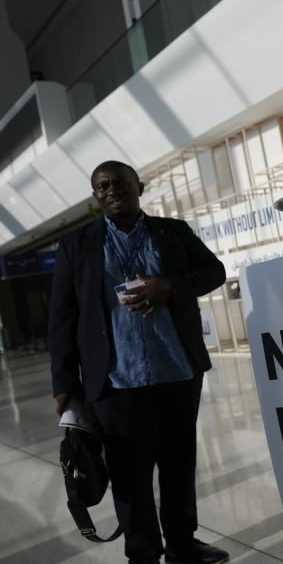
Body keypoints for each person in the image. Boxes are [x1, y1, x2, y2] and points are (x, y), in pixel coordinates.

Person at [49, 161, 229, 564]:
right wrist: (64, 384)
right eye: (103, 186)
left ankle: (183, 544)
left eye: (121, 183)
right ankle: (143, 554)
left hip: (176, 372)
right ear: (96, 196)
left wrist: (170, 286)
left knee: (179, 465)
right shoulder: (77, 245)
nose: (112, 190)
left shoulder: (173, 232)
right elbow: (61, 317)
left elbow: (214, 272)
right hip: (116, 382)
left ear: (139, 187)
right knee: (130, 476)